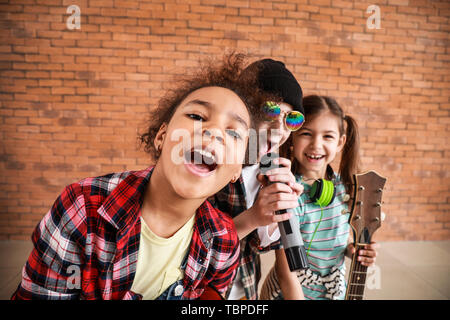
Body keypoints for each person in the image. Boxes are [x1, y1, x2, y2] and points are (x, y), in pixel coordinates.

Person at [11, 53, 268, 300]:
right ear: (161, 136)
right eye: (197, 116)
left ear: (237, 169)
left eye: (234, 133)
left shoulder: (224, 241)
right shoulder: (82, 207)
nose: (214, 132)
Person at [260, 95, 379, 300]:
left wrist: (355, 251)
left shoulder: (346, 189)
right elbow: (285, 270)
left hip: (332, 293)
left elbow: (342, 238)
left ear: (341, 142)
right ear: (292, 138)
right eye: (306, 133)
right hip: (289, 293)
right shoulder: (286, 194)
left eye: (328, 136)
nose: (316, 145)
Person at [209, 59, 305, 300]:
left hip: (245, 288)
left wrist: (275, 211)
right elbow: (195, 243)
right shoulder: (209, 161)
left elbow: (259, 245)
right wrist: (252, 217)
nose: (279, 129)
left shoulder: (266, 167)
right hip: (203, 290)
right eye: (270, 110)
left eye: (290, 119)